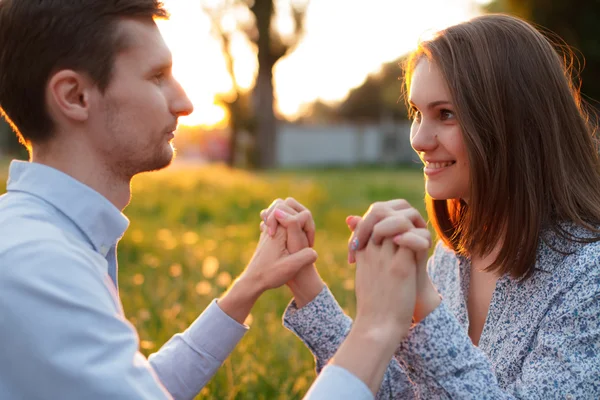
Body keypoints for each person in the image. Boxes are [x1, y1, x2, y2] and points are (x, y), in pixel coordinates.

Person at [0, 1, 424, 399]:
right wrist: (375, 328)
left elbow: (141, 387)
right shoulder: (40, 266)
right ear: (74, 96)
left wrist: (249, 286)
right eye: (156, 77)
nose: (184, 103)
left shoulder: (41, 240)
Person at [262, 13, 600, 399]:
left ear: (514, 124)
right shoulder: (452, 256)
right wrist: (306, 283)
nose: (419, 139)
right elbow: (405, 392)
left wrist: (424, 300)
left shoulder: (588, 279)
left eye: (446, 114)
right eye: (417, 113)